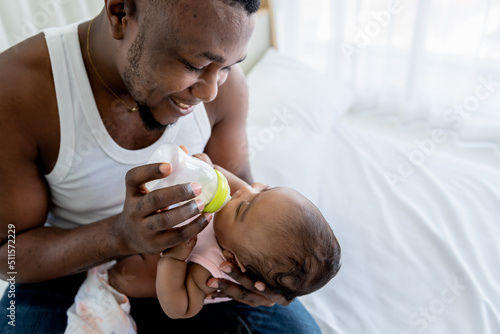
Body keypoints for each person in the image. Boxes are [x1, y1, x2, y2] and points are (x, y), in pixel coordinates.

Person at [0, 0, 322, 332]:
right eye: (194, 65)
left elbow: (243, 195)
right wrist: (120, 236)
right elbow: (8, 257)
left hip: (190, 275)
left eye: (227, 66)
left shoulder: (225, 87)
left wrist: (261, 280)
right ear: (120, 13)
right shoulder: (17, 90)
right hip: (65, 270)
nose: (210, 92)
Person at [155, 159, 342, 319]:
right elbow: (224, 181)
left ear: (232, 258)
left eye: (242, 207)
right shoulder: (246, 217)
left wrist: (173, 259)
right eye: (264, 190)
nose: (246, 189)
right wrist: (208, 169)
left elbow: (181, 308)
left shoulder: (210, 268)